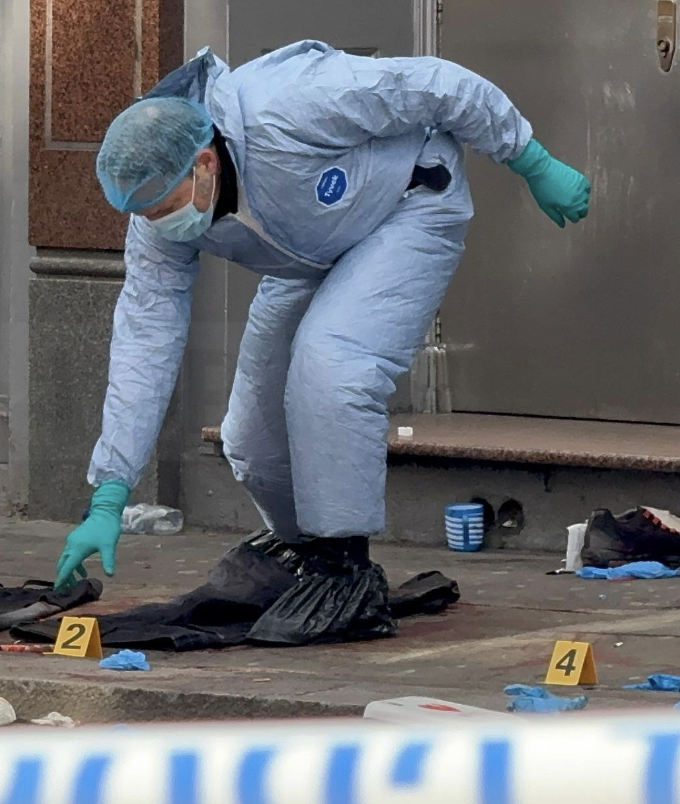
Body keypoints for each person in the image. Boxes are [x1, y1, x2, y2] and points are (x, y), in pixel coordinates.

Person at [54, 42, 590, 641]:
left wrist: (529, 158)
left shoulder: (288, 103)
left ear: (204, 163)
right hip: (311, 256)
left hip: (409, 206)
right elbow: (145, 339)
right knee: (249, 437)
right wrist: (111, 491)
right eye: (148, 216)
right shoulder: (156, 217)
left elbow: (438, 84)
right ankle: (304, 554)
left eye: (168, 209)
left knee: (331, 366)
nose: (162, 225)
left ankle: (344, 567)